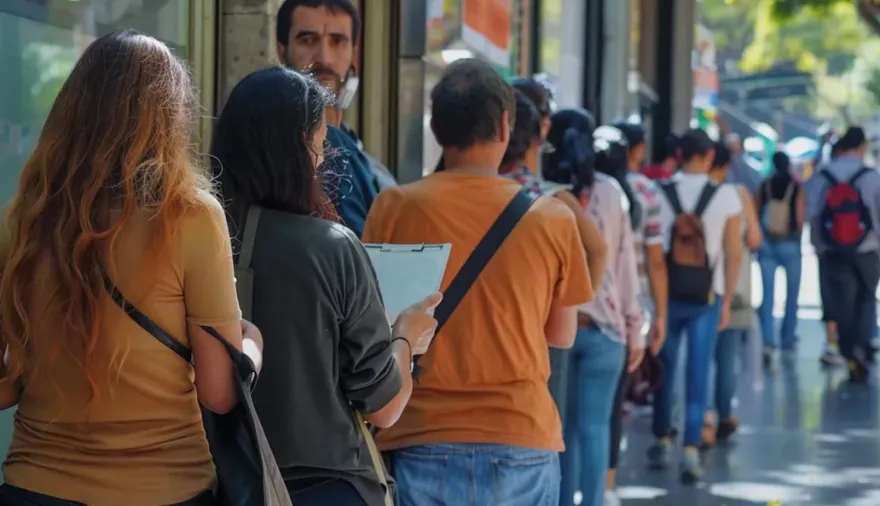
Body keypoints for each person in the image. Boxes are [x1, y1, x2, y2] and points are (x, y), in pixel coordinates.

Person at [0, 30, 263, 506]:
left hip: (36, 487)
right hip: (165, 490)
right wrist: (251, 344)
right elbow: (220, 393)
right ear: (169, 120)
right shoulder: (192, 218)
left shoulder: (23, 220)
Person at [363, 59, 593, 506]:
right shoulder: (552, 217)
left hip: (417, 436)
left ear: (434, 127)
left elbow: (374, 325)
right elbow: (561, 335)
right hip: (522, 438)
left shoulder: (393, 206)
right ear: (506, 125)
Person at [210, 67, 440, 506]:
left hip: (222, 481)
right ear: (299, 149)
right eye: (319, 147)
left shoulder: (201, 238)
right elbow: (384, 406)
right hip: (327, 484)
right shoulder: (331, 246)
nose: (321, 159)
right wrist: (406, 337)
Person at [551, 120, 644, 506]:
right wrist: (634, 326)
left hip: (557, 326)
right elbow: (625, 265)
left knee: (563, 431)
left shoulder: (545, 190)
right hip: (606, 327)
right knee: (595, 428)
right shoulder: (611, 191)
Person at [648, 128, 742, 484]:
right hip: (707, 296)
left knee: (664, 364)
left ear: (679, 155)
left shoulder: (659, 192)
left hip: (666, 294)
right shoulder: (727, 196)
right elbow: (733, 254)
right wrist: (727, 299)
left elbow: (652, 252)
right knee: (698, 369)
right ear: (707, 158)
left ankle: (660, 433)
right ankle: (690, 447)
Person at [275, 0, 379, 236]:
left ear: (355, 52)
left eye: (337, 41)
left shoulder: (353, 149)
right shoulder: (272, 142)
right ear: (282, 51)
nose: (324, 58)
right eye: (308, 40)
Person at [613, 121, 668, 506]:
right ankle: (606, 486)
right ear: (636, 150)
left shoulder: (582, 189)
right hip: (631, 306)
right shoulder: (647, 191)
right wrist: (659, 314)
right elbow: (655, 259)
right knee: (612, 407)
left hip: (585, 307)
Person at [806, 126, 880, 383]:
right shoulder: (872, 176)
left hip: (832, 250)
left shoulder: (822, 175)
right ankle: (862, 344)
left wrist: (817, 245)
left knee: (841, 301)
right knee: (866, 299)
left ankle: (849, 349)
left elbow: (813, 213)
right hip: (868, 250)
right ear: (861, 148)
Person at [702, 141, 762, 447]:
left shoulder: (682, 192)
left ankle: (703, 417)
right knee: (726, 358)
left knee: (698, 358)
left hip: (694, 289)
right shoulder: (739, 194)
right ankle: (724, 413)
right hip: (734, 289)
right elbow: (754, 239)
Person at [755, 152, 805, 367]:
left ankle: (768, 340)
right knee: (792, 295)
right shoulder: (796, 187)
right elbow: (801, 217)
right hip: (790, 243)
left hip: (767, 244)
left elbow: (757, 212)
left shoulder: (765, 184)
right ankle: (787, 338)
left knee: (768, 296)